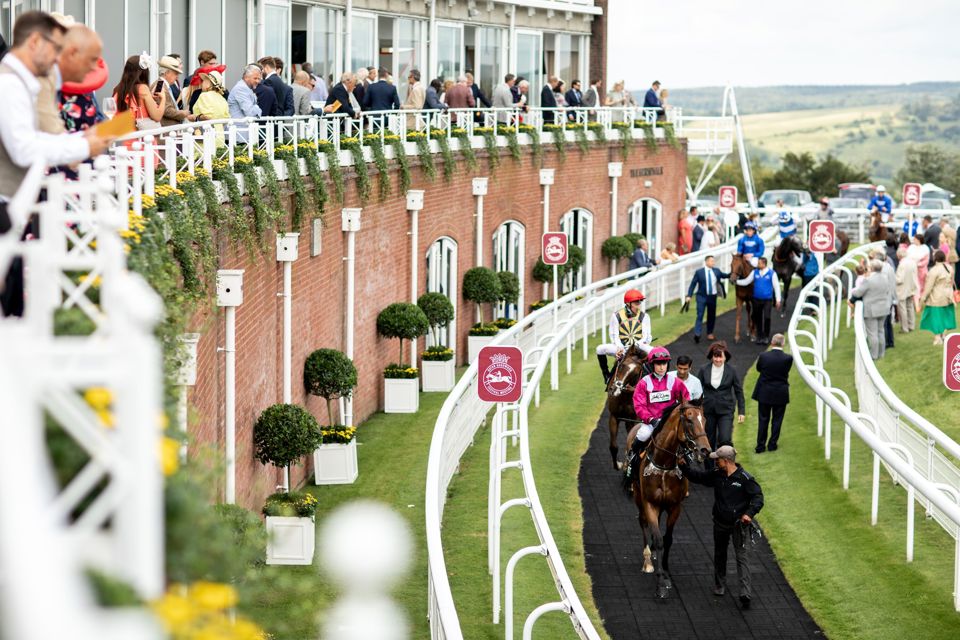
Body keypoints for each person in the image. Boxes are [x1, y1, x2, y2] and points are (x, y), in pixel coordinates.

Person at [0, 11, 113, 316]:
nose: (57, 57)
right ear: (36, 42)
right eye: (55, 48)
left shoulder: (21, 82)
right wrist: (81, 144)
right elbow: (24, 149)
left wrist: (80, 143)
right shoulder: (11, 84)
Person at [679, 445, 764, 607]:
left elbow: (758, 498)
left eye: (717, 460)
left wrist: (749, 514)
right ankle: (719, 585)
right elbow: (698, 477)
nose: (715, 462)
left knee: (742, 557)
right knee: (720, 554)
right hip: (720, 523)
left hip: (739, 525)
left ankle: (745, 592)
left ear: (726, 461)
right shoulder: (717, 474)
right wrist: (683, 466)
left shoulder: (745, 479)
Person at [625, 346, 690, 481]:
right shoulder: (644, 383)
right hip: (651, 422)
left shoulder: (675, 382)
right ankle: (632, 458)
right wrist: (650, 419)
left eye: (664, 363)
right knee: (643, 434)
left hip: (670, 422)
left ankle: (687, 465)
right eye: (658, 364)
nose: (661, 367)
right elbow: (639, 405)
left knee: (685, 440)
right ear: (652, 365)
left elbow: (686, 398)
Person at [696, 341, 745, 451]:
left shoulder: (731, 371)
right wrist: (696, 408)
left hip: (726, 410)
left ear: (725, 357)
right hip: (708, 410)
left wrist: (741, 411)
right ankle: (709, 467)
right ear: (711, 356)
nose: (718, 360)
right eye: (715, 357)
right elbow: (697, 389)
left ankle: (724, 466)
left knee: (725, 440)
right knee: (709, 440)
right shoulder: (704, 370)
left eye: (720, 357)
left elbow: (738, 391)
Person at [595, 289, 651, 384]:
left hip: (639, 347)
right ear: (628, 303)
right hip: (621, 347)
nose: (639, 303)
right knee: (599, 349)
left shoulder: (645, 316)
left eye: (639, 301)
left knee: (657, 353)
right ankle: (607, 375)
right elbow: (614, 335)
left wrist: (634, 347)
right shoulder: (616, 316)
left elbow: (646, 336)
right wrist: (620, 348)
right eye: (636, 301)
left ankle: (654, 378)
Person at [752, 334, 793, 453]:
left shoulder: (763, 356)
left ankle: (760, 446)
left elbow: (759, 369)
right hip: (781, 393)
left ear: (772, 343)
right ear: (783, 344)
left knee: (763, 419)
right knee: (777, 420)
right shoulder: (788, 358)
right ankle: (772, 444)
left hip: (764, 392)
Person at [849, 260, 893, 359]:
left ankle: (874, 355)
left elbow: (858, 293)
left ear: (871, 268)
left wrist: (853, 293)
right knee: (880, 331)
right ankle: (881, 354)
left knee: (872, 333)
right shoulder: (885, 278)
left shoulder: (868, 280)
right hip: (883, 308)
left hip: (871, 310)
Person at [735, 256, 781, 345]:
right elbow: (746, 281)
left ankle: (766, 336)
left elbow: (777, 287)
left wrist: (778, 300)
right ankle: (759, 337)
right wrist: (736, 282)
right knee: (758, 318)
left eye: (759, 263)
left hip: (767, 300)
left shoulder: (772, 273)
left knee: (767, 317)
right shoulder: (754, 272)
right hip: (756, 300)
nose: (757, 264)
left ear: (764, 264)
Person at [112, 54, 166, 129]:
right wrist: (163, 98)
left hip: (125, 134)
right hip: (141, 136)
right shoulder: (143, 88)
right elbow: (157, 116)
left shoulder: (118, 89)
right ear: (143, 72)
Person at [686, 255, 729, 343]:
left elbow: (725, 276)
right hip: (701, 296)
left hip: (712, 297)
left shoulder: (716, 271)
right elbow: (693, 284)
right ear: (706, 262)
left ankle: (710, 333)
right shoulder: (699, 272)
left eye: (714, 261)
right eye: (711, 261)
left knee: (711, 315)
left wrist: (734, 273)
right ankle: (697, 333)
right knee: (700, 314)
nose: (713, 263)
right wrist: (689, 295)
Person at [918, 251, 956, 345]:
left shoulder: (934, 271)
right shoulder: (949, 268)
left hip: (937, 297)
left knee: (936, 318)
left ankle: (938, 338)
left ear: (935, 259)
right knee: (944, 317)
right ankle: (943, 335)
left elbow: (929, 286)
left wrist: (923, 298)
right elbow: (952, 283)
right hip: (948, 296)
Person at [191, 69, 229, 140]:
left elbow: (207, 117)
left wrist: (197, 117)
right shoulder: (222, 98)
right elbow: (226, 118)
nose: (202, 83)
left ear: (208, 83)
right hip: (220, 135)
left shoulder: (204, 96)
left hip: (206, 135)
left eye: (204, 81)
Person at [158, 55, 193, 126]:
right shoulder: (159, 85)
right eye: (175, 73)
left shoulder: (161, 84)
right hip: (166, 129)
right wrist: (183, 113)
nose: (177, 76)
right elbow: (166, 110)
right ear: (167, 73)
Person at [895, 247, 919, 333]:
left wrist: (893, 277)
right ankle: (911, 325)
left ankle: (905, 328)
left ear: (899, 255)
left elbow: (899, 279)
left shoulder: (902, 264)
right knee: (910, 307)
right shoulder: (912, 262)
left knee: (902, 308)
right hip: (911, 287)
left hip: (902, 288)